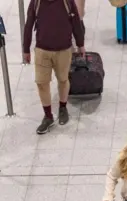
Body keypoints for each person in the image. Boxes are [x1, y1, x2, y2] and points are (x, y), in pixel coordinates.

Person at [22, 0, 85, 135]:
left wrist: (81, 44)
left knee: (63, 80)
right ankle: (48, 116)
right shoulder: (36, 2)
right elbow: (29, 24)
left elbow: (76, 23)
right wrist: (25, 49)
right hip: (42, 50)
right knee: (41, 83)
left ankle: (62, 107)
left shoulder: (67, 2)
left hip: (64, 49)